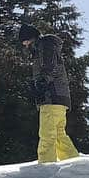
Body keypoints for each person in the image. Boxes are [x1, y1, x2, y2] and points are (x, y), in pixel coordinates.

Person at [18, 21, 79, 164]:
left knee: (47, 135)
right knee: (59, 135)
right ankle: (74, 164)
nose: (25, 46)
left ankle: (46, 166)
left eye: (26, 42)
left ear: (32, 38)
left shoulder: (45, 46)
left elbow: (49, 66)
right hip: (59, 98)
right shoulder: (46, 47)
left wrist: (41, 83)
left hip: (51, 97)